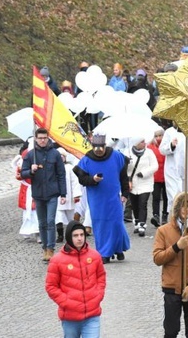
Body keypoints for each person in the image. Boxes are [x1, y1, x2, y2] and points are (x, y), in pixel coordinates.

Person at [153, 191, 188, 338]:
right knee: (171, 331)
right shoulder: (163, 231)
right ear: (177, 208)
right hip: (172, 288)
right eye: (182, 206)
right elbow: (158, 258)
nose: (186, 209)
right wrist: (176, 247)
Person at [73, 134, 131, 264]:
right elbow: (82, 179)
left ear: (105, 146)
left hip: (113, 197)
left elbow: (123, 177)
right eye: (95, 147)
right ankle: (104, 252)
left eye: (101, 147)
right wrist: (93, 179)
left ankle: (118, 248)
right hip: (97, 199)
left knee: (116, 222)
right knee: (101, 224)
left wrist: (125, 193)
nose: (98, 150)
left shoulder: (116, 156)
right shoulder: (87, 159)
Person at [45, 221, 106, 338]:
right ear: (69, 237)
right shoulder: (57, 260)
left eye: (82, 235)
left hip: (92, 314)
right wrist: (66, 302)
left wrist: (98, 295)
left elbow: (101, 277)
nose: (79, 238)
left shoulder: (94, 256)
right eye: (75, 235)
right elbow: (51, 286)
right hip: (70, 317)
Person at [21, 128, 67, 262]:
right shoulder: (31, 155)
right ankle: (45, 247)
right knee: (41, 223)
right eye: (40, 138)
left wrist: (63, 193)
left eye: (44, 138)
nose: (42, 140)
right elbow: (23, 173)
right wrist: (31, 170)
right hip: (38, 192)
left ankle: (51, 248)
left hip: (52, 193)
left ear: (48, 138)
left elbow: (61, 174)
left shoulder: (55, 154)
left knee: (50, 221)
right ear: (35, 139)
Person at [125, 135, 158, 237]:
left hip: (145, 182)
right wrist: (128, 162)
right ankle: (137, 221)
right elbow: (124, 168)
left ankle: (142, 225)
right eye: (141, 142)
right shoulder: (128, 152)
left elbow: (155, 166)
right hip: (133, 182)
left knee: (143, 203)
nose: (144, 143)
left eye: (144, 141)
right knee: (134, 203)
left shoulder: (149, 153)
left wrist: (144, 173)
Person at [149, 127, 167, 227]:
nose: (158, 138)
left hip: (166, 175)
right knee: (155, 197)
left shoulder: (166, 146)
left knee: (166, 197)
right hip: (155, 176)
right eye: (156, 136)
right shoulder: (150, 147)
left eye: (160, 135)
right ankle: (156, 215)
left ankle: (165, 214)